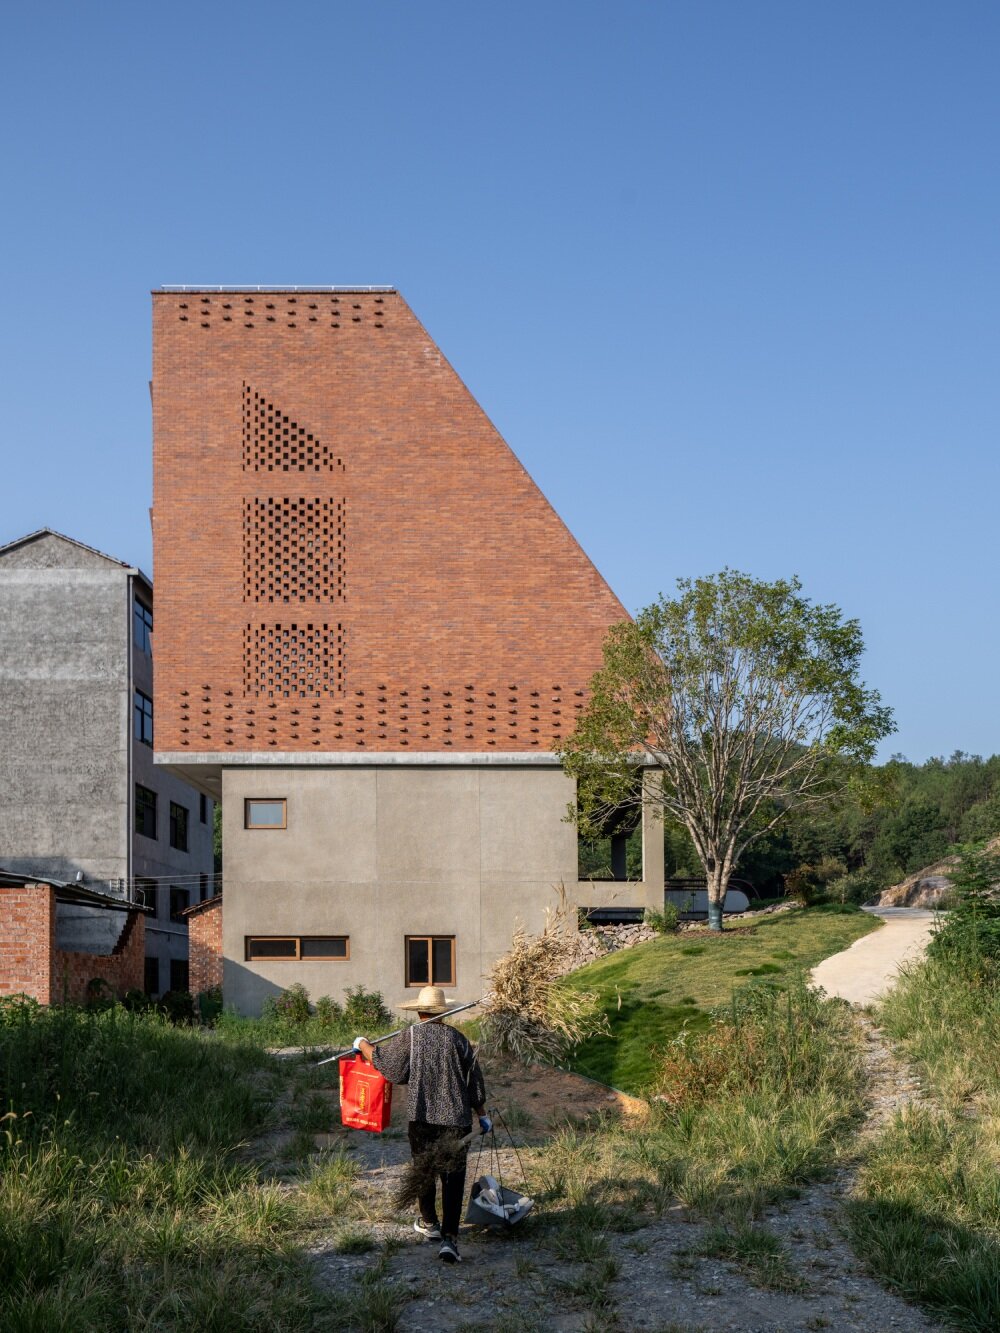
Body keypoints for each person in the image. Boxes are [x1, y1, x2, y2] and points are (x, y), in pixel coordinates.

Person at [354, 984, 489, 1264]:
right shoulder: (458, 1039)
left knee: (423, 1170)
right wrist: (482, 1114)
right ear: (443, 1013)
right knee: (453, 1177)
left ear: (419, 1011)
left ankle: (430, 1224)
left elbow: (391, 1068)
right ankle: (450, 1239)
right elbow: (474, 1080)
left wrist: (363, 1045)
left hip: (422, 1116)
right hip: (456, 1119)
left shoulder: (411, 1037)